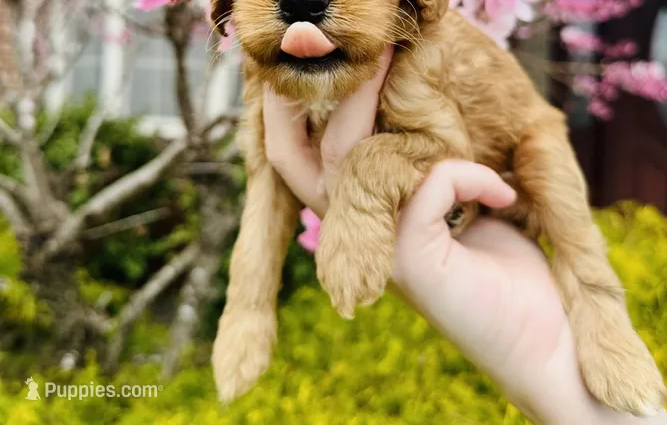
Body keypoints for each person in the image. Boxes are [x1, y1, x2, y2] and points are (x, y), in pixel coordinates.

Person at [262, 48, 666, 425]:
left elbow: (441, 134)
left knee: (554, 186)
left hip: (510, 156)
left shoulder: (417, 42)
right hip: (463, 212)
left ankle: (603, 311)